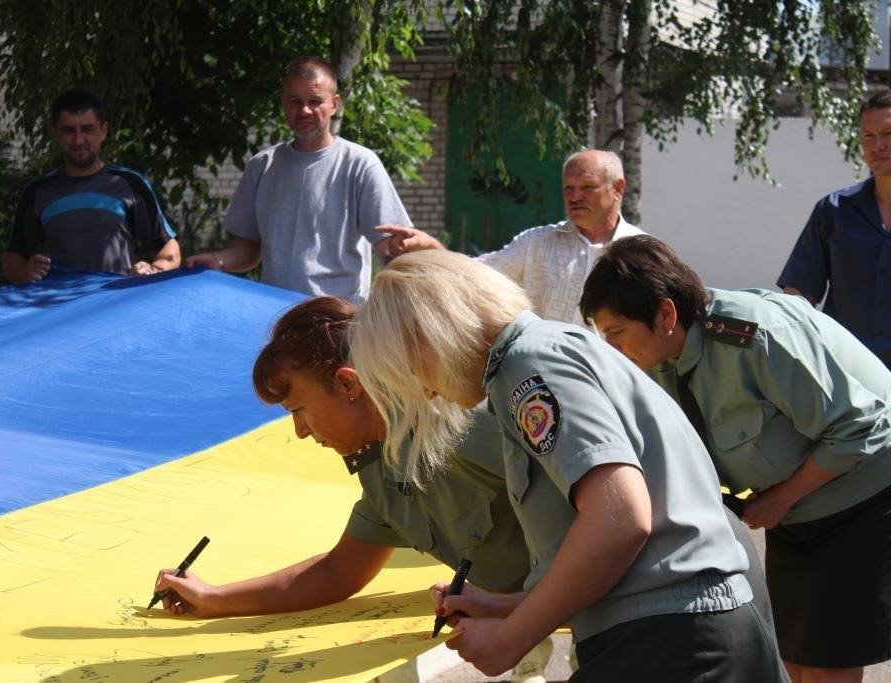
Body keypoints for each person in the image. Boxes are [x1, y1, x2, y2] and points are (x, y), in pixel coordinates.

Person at [348, 249, 785, 682]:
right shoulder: (542, 353)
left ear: (431, 334)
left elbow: (620, 519)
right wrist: (507, 606)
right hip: (682, 628)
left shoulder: (527, 366)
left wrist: (510, 639)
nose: (424, 392)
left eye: (408, 369)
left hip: (671, 638)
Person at [150, 296, 555, 683]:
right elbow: (339, 571)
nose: (300, 431)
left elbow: (601, 521)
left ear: (348, 384)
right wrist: (214, 598)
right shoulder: (380, 463)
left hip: (607, 613)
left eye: (298, 410)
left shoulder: (469, 424)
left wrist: (516, 621)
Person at [580, 234, 891, 683]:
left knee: (826, 666)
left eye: (616, 333)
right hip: (796, 512)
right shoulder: (662, 357)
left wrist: (780, 499)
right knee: (791, 658)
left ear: (665, 314)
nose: (611, 348)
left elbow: (860, 427)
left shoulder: (755, 337)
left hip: (863, 496)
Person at [185, 57, 416, 304]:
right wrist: (217, 260)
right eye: (295, 101)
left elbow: (393, 250)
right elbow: (248, 250)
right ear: (283, 103)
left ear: (334, 104)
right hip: (274, 319)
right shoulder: (262, 166)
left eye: (315, 101)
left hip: (338, 322)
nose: (304, 110)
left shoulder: (360, 164)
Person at [377, 149, 643, 325]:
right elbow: (478, 275)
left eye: (587, 187)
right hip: (546, 384)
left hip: (615, 386)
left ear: (618, 189)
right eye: (568, 188)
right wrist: (433, 249)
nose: (574, 197)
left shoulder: (640, 252)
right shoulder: (536, 244)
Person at [2, 89, 180, 284]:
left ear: (103, 131)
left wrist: (154, 269)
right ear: (55, 133)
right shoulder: (37, 192)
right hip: (60, 308)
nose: (78, 140)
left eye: (87, 129)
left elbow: (169, 248)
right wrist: (25, 273)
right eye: (69, 130)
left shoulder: (130, 184)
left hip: (116, 306)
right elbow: (12, 258)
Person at [777, 89, 891, 368]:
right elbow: (798, 299)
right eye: (868, 136)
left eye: (888, 134)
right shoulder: (833, 211)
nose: (878, 145)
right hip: (848, 380)